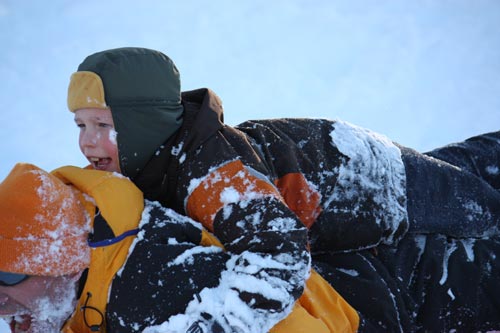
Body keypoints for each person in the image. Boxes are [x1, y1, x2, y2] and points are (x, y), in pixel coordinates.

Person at [67, 46, 500, 332]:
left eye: (104, 125)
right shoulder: (146, 165)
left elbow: (280, 255)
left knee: (479, 207)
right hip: (324, 174)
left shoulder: (213, 177)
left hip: (362, 178)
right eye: (81, 125)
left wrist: (222, 323)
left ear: (145, 122)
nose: (87, 141)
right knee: (468, 175)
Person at [0, 163, 358, 333]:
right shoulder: (90, 226)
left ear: (67, 262)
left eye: (8, 274)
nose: (0, 299)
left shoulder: (153, 293)